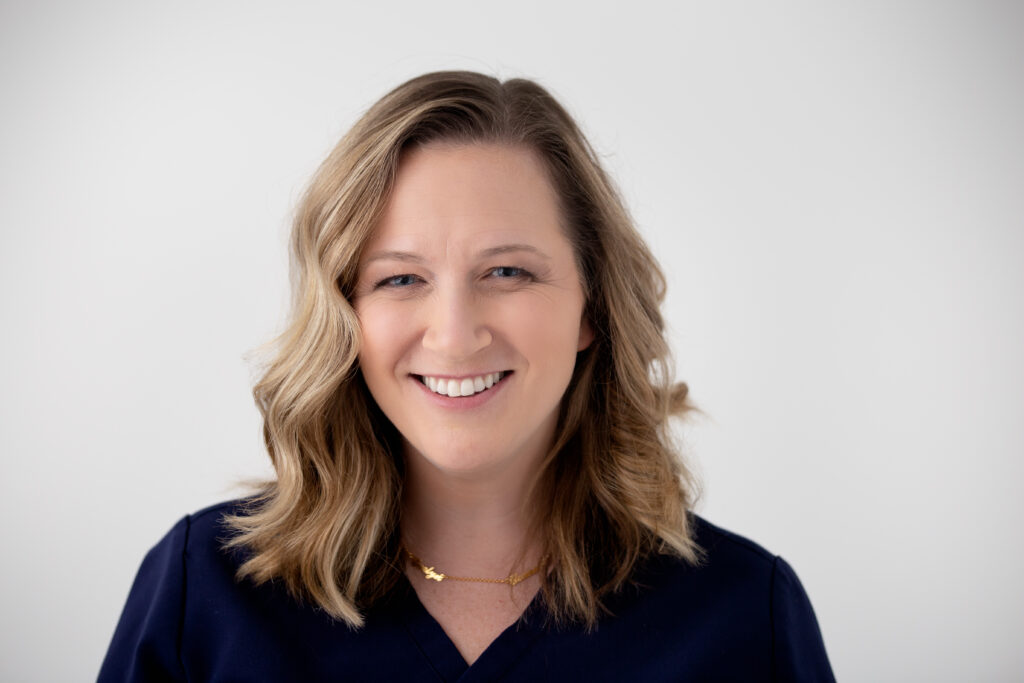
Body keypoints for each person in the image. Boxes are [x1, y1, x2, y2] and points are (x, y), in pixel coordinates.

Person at [99, 71, 834, 681]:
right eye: (399, 279)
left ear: (592, 308)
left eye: (507, 271)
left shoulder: (744, 615)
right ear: (344, 313)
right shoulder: (207, 593)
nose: (454, 333)